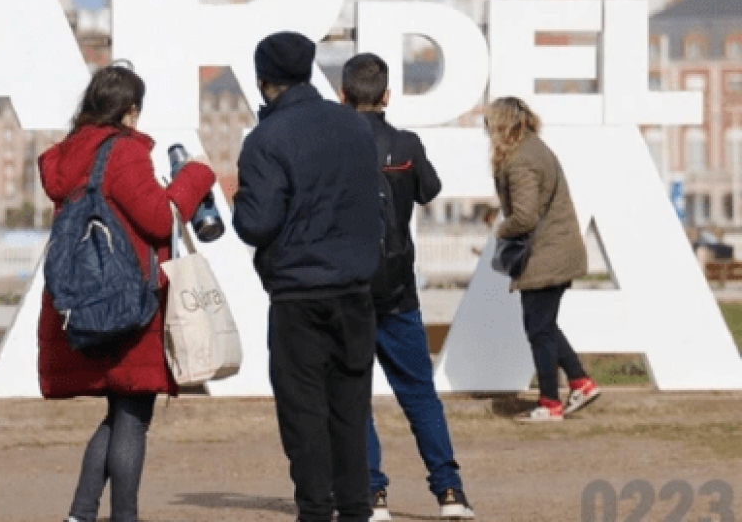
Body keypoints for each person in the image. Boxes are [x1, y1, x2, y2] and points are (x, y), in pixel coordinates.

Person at [38, 63, 216, 522]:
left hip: (83, 303)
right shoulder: (122, 151)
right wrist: (195, 177)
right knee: (133, 414)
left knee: (119, 412)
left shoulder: (68, 156)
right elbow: (158, 218)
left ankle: (80, 514)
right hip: (131, 300)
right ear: (130, 112)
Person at [233, 32, 382, 522]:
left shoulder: (266, 140)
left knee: (303, 417)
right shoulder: (356, 128)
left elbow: (256, 225)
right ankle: (356, 510)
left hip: (298, 294)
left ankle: (315, 511)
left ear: (262, 81)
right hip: (356, 292)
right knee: (349, 412)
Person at [338, 53, 475, 521]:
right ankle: (450, 492)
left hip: (350, 291)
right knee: (419, 395)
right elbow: (429, 190)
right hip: (399, 291)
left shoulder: (331, 147)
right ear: (387, 95)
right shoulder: (407, 143)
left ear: (342, 96)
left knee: (355, 397)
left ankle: (373, 494)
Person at [485, 96, 601, 423]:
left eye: (489, 125)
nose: (487, 132)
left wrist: (498, 230)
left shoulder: (521, 160)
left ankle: (550, 403)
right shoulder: (536, 148)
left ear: (503, 125)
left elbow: (524, 217)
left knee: (538, 330)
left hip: (546, 255)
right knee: (544, 325)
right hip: (558, 251)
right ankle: (580, 381)